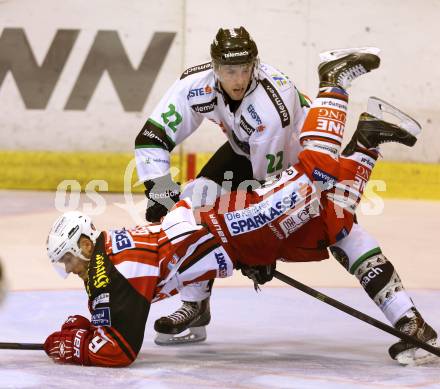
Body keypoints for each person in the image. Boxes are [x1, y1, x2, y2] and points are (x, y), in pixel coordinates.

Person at [45, 89, 432, 366]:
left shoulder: (116, 264)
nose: (68, 268)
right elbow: (112, 312)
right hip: (232, 235)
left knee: (314, 183)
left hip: (235, 226)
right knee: (327, 226)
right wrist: (77, 329)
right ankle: (368, 141)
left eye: (66, 258)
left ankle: (335, 86)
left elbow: (120, 349)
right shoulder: (111, 256)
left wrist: (72, 345)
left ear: (83, 242)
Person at [135, 26, 435, 364]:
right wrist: (160, 190)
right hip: (247, 152)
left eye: (244, 69)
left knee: (341, 232)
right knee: (191, 206)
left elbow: (269, 200)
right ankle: (195, 304)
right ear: (215, 67)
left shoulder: (269, 107)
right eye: (229, 70)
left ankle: (409, 321)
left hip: (302, 166)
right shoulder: (197, 84)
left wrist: (260, 252)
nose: (237, 79)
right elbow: (152, 137)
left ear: (255, 66)